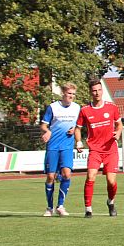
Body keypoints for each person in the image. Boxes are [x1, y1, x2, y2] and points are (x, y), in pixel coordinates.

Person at [77, 79, 122, 217]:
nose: (97, 93)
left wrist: (118, 133)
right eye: (94, 90)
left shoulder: (112, 107)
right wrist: (78, 141)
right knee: (91, 177)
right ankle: (88, 209)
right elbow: (78, 128)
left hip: (110, 150)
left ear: (102, 91)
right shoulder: (84, 110)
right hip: (95, 150)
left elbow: (119, 125)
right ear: (90, 92)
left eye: (99, 90)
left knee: (111, 181)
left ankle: (111, 201)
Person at [40, 83, 81, 216]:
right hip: (53, 146)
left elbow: (78, 126)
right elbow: (43, 125)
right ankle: (49, 207)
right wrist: (47, 132)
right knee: (51, 176)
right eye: (69, 93)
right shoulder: (53, 107)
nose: (72, 96)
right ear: (63, 93)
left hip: (67, 146)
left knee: (67, 174)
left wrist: (75, 132)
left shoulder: (77, 108)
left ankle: (61, 205)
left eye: (73, 94)